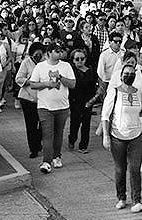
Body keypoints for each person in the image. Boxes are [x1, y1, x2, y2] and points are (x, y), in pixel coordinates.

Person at [101, 65, 142, 213]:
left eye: (132, 73)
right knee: (120, 168)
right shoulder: (114, 92)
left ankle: (137, 201)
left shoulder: (138, 92)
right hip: (118, 136)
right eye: (126, 73)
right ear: (121, 75)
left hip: (136, 135)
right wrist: (106, 136)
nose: (129, 76)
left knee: (135, 168)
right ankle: (121, 197)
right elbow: (105, 115)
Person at [30, 43, 76, 173]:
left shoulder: (66, 66)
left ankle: (57, 156)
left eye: (60, 51)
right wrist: (46, 84)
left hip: (62, 106)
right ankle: (46, 161)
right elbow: (33, 84)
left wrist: (60, 77)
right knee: (47, 134)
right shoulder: (40, 66)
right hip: (45, 107)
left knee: (58, 133)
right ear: (49, 53)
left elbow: (72, 84)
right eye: (56, 51)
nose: (59, 53)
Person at [15, 42, 45, 158]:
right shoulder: (26, 62)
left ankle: (38, 142)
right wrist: (30, 82)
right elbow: (18, 78)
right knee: (31, 125)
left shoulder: (45, 63)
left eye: (40, 53)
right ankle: (33, 149)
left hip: (42, 99)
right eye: (36, 54)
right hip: (27, 98)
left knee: (43, 124)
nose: (38, 56)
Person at [68, 48, 97, 153]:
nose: (80, 61)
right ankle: (72, 139)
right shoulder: (71, 71)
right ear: (73, 60)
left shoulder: (90, 70)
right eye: (77, 59)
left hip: (88, 101)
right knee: (75, 123)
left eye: (82, 58)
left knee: (86, 124)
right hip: (75, 100)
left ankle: (83, 146)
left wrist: (93, 99)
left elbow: (94, 86)